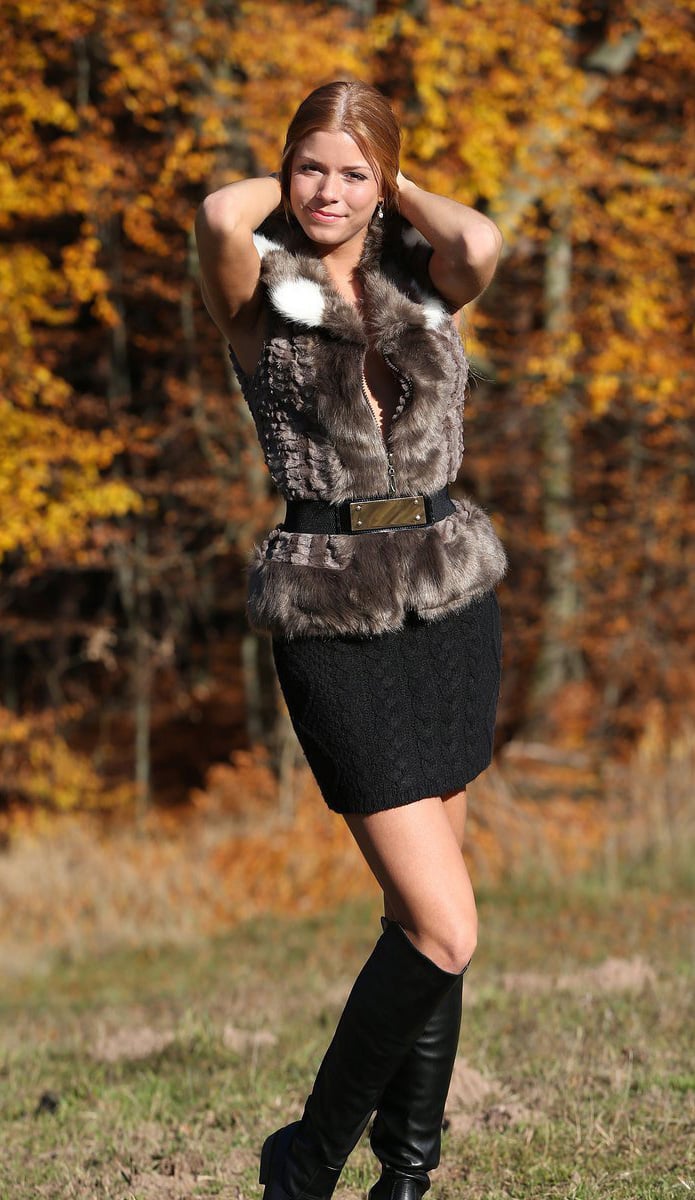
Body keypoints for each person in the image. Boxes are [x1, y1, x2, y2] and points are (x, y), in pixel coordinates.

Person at [195, 79, 506, 1200]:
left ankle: (406, 1176)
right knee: (445, 926)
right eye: (309, 167)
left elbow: (480, 241)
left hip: (447, 601)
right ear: (285, 170)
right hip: (329, 611)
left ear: (385, 181)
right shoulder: (258, 287)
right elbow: (221, 215)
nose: (327, 190)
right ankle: (303, 1164)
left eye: (352, 173)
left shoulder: (418, 279)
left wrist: (390, 181)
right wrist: (311, 179)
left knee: (425, 920)